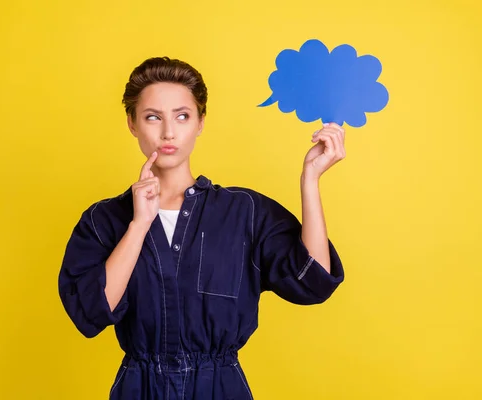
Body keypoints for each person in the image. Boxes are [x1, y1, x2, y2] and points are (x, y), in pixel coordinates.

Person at [57, 56, 345, 399]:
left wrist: (310, 180)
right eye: (152, 117)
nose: (168, 132)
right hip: (140, 388)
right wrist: (139, 225)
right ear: (132, 124)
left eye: (182, 116)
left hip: (221, 387)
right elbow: (90, 313)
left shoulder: (243, 212)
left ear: (200, 123)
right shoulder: (104, 221)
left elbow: (313, 282)